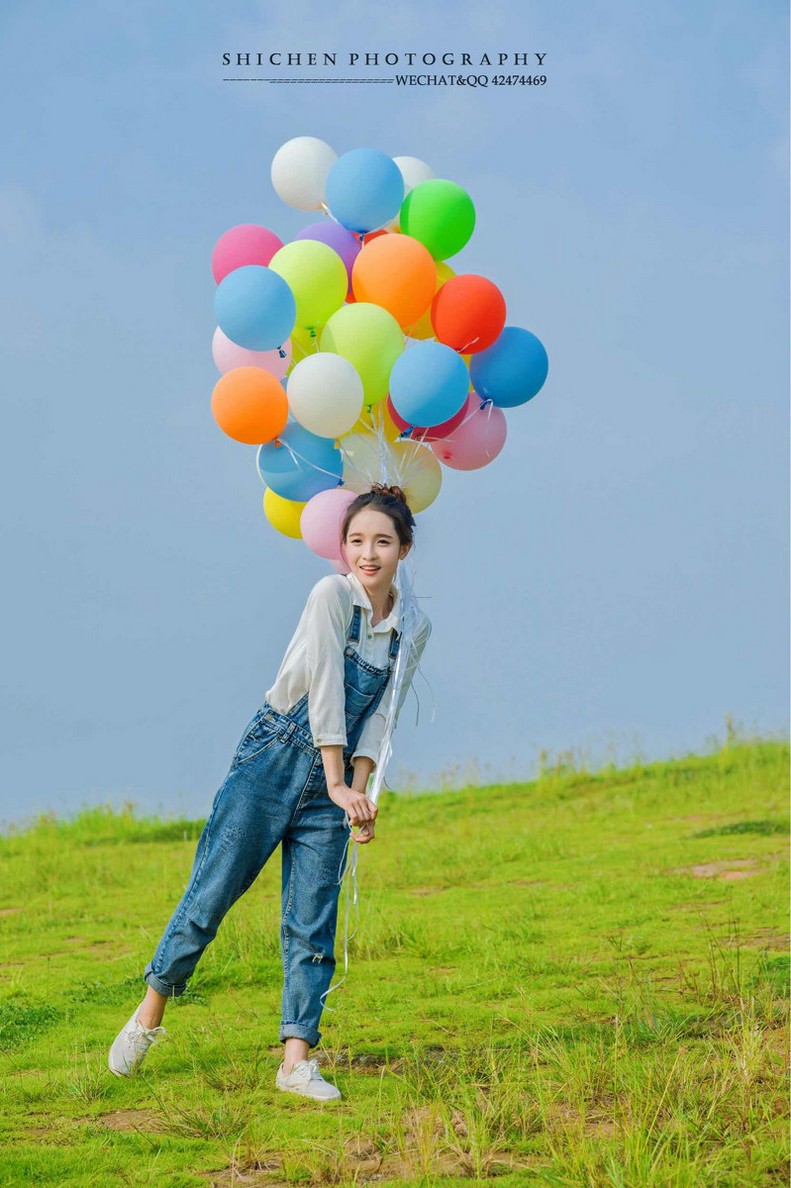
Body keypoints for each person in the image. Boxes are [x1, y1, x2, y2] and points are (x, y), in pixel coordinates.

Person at [108, 483, 431, 1101]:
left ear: (404, 549)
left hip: (331, 789)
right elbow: (328, 688)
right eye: (357, 541)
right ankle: (150, 1013)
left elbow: (384, 715)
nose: (368, 554)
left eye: (382, 542)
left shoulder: (412, 626)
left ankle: (295, 1062)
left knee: (312, 920)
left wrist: (361, 793)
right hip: (273, 758)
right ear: (342, 548)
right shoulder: (331, 595)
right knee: (211, 894)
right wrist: (337, 781)